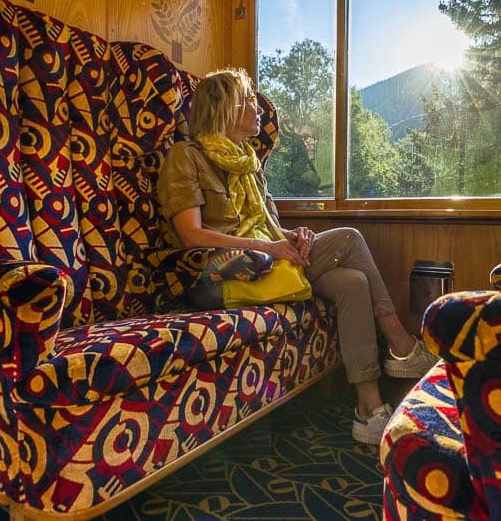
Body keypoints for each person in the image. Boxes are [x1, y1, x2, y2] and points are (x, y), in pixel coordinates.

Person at [157, 68, 437, 445]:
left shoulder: (248, 163)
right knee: (351, 238)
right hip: (224, 275)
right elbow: (190, 234)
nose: (259, 108)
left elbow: (270, 225)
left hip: (269, 264)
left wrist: (295, 236)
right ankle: (401, 346)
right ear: (225, 108)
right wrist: (271, 248)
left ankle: (368, 410)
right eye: (249, 100)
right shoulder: (185, 156)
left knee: (352, 282)